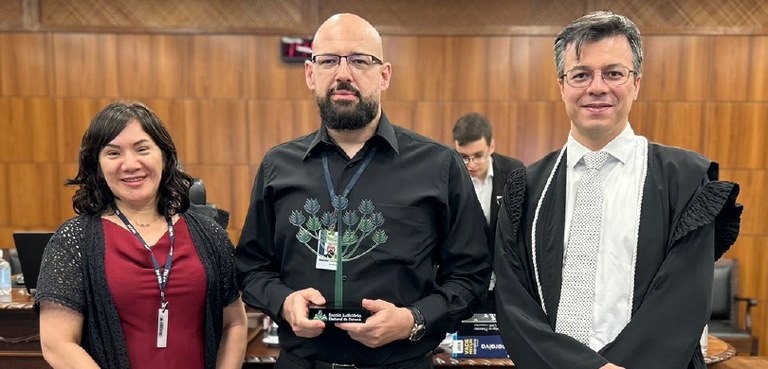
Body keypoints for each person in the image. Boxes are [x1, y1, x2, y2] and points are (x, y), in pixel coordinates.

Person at [235, 13, 491, 369]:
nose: (343, 74)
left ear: (384, 75)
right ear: (311, 74)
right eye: (328, 61)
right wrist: (282, 302)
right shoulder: (278, 166)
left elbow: (471, 275)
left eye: (359, 60)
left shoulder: (439, 165)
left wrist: (414, 319)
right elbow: (251, 267)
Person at [493, 11, 742, 369]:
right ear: (562, 86)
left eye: (613, 73)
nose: (597, 87)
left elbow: (684, 298)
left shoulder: (687, 180)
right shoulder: (527, 187)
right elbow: (512, 302)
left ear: (636, 83)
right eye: (581, 75)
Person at [35, 102, 248, 369]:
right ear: (97, 166)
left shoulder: (209, 234)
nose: (130, 164)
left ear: (165, 155)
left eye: (142, 149)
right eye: (113, 153)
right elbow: (57, 344)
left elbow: (235, 323)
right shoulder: (74, 240)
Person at [452, 112, 523, 313]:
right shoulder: (448, 173)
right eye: (463, 157)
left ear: (491, 146)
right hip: (464, 277)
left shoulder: (514, 172)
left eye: (478, 156)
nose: (471, 164)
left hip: (506, 277)